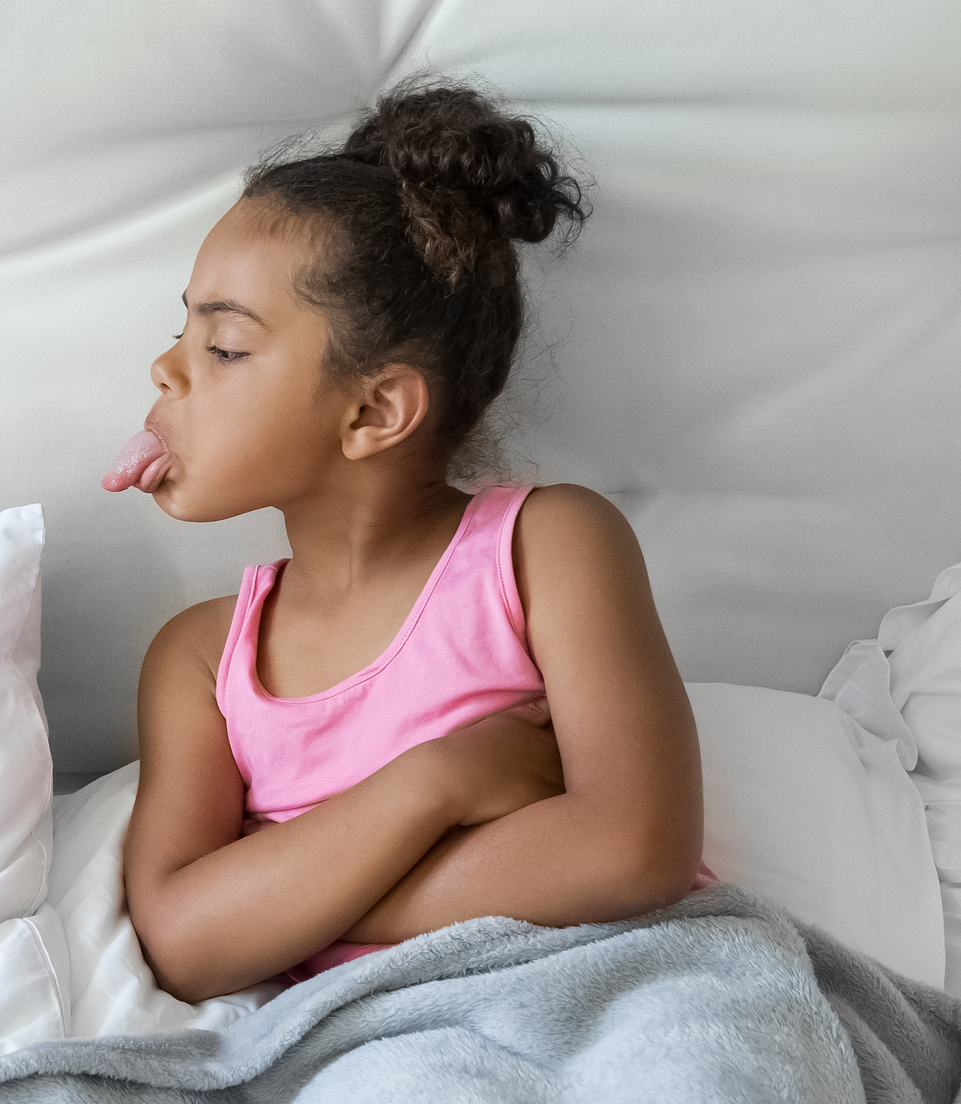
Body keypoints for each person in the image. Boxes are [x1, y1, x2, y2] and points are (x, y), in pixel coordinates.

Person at [108, 82, 704, 1004]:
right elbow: (184, 943)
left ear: (374, 409)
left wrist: (285, 887)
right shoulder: (196, 660)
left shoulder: (548, 547)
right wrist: (436, 783)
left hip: (604, 996)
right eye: (180, 328)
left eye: (223, 346)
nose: (165, 367)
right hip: (370, 1055)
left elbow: (634, 847)